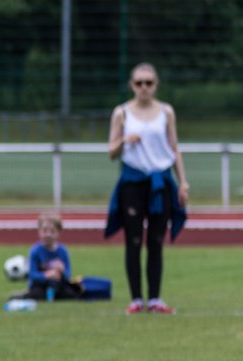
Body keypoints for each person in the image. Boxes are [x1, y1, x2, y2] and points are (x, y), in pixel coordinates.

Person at [105, 62, 189, 315]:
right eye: (139, 83)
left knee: (155, 241)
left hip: (160, 183)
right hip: (132, 183)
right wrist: (123, 141)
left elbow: (174, 149)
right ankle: (135, 299)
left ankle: (154, 299)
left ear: (156, 85)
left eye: (149, 83)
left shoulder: (166, 112)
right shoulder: (121, 113)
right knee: (133, 241)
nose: (144, 87)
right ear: (132, 85)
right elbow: (111, 152)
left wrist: (183, 182)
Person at [11, 214, 80, 301]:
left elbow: (67, 275)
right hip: (40, 284)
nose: (48, 235)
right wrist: (46, 275)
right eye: (45, 231)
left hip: (57, 283)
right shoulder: (35, 251)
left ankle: (52, 294)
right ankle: (24, 294)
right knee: (37, 295)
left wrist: (62, 271)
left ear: (59, 233)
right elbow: (32, 275)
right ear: (39, 232)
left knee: (71, 294)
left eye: (52, 231)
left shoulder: (63, 251)